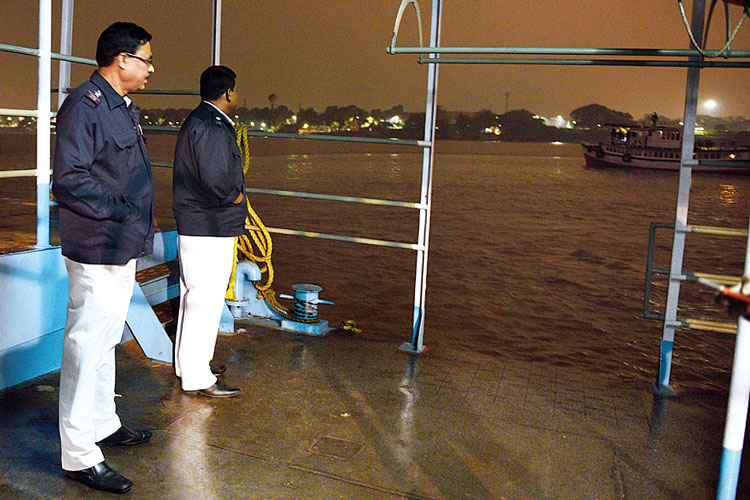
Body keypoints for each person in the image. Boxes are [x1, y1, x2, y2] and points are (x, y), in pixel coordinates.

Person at [52, 22, 156, 494]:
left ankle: (104, 424)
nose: (150, 69)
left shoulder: (121, 108)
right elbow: (69, 179)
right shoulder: (85, 106)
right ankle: (78, 454)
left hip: (121, 244)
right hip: (97, 245)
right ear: (121, 59)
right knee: (85, 346)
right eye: (145, 60)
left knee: (107, 339)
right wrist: (121, 211)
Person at [172, 65, 246, 398]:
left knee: (194, 298)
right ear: (228, 92)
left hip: (197, 225)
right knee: (205, 300)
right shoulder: (212, 127)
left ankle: (190, 365)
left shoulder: (199, 121)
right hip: (210, 227)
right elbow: (216, 180)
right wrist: (236, 196)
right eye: (236, 91)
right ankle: (198, 376)